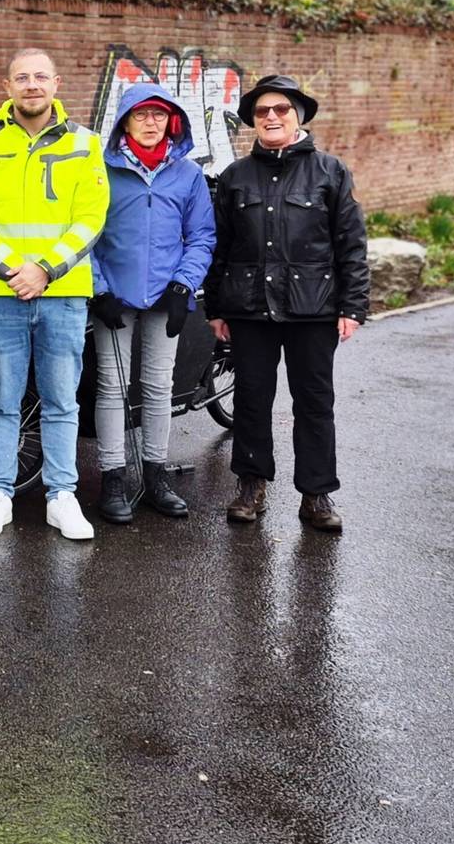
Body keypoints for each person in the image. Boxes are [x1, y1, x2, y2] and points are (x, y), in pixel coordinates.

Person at [0, 49, 109, 541]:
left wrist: (43, 269)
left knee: (63, 398)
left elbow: (92, 217)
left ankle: (62, 496)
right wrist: (11, 269)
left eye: (41, 77)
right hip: (0, 294)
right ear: (7, 86)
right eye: (22, 78)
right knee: (2, 399)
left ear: (57, 83)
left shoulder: (86, 144)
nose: (32, 85)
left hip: (63, 294)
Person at [205, 75, 368, 533]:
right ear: (253, 122)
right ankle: (250, 487)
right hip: (248, 307)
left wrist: (352, 306)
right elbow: (220, 247)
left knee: (314, 401)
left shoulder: (330, 172)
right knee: (252, 399)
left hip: (312, 308)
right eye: (262, 112)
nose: (272, 117)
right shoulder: (235, 177)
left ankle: (316, 494)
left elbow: (351, 243)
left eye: (281, 109)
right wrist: (215, 308)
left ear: (298, 115)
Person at [88, 83, 217, 524]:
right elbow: (85, 232)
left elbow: (201, 236)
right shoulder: (101, 170)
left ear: (171, 122)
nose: (150, 123)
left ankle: (156, 475)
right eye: (140, 115)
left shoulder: (187, 174)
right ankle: (113, 478)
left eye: (159, 116)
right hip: (113, 296)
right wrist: (98, 287)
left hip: (166, 295)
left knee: (159, 386)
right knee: (111, 386)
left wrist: (184, 286)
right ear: (125, 121)